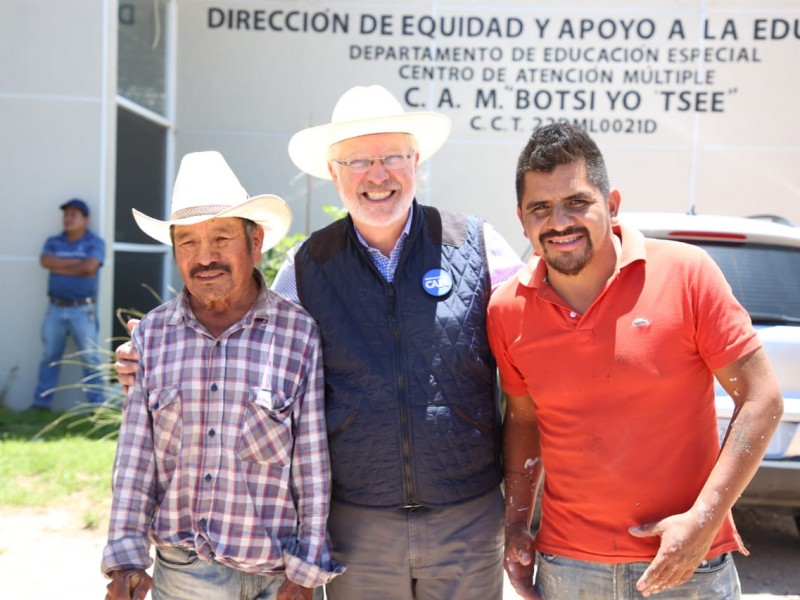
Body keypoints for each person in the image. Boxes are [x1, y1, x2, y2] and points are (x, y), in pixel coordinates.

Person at [116, 85, 523, 599]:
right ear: (334, 174)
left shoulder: (477, 244)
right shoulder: (306, 267)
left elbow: (539, 340)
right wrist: (149, 355)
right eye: (356, 161)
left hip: (467, 518)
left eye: (391, 156)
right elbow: (246, 342)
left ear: (416, 160)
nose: (376, 175)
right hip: (357, 526)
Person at [487, 122, 784, 599]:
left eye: (577, 202)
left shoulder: (687, 274)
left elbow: (762, 397)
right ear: (522, 220)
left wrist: (703, 522)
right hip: (568, 567)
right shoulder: (507, 309)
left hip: (689, 562)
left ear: (613, 204)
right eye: (541, 208)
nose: (559, 221)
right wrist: (518, 524)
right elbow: (524, 419)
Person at [101, 151, 343, 600]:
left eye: (221, 237)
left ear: (256, 243)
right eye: (188, 242)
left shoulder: (298, 333)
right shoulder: (154, 334)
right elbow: (135, 460)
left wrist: (306, 571)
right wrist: (125, 558)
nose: (204, 256)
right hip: (186, 570)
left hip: (278, 569)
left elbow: (312, 462)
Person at [33, 198, 106, 410]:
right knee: (49, 357)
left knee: (90, 358)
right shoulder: (54, 242)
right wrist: (79, 264)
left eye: (74, 215)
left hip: (83, 310)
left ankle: (98, 407)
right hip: (55, 309)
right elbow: (46, 261)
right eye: (66, 214)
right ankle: (40, 404)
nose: (68, 218)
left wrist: (61, 265)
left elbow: (90, 267)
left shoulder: (95, 242)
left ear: (85, 219)